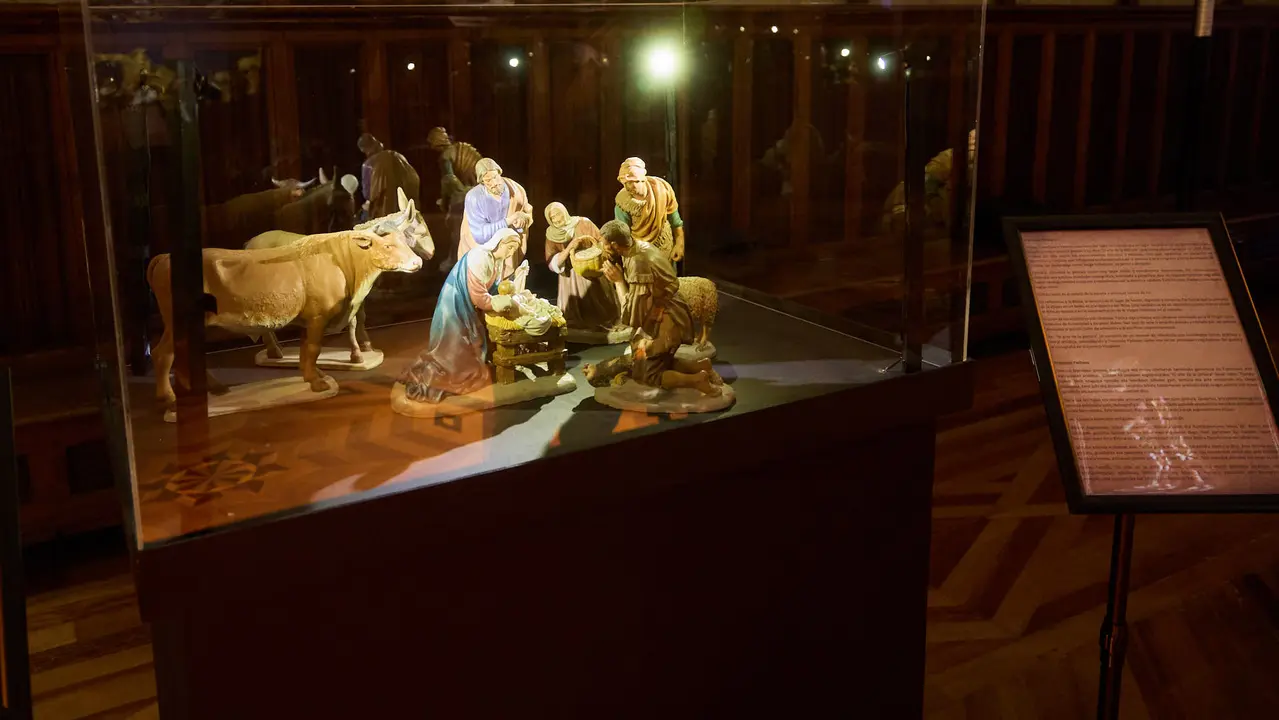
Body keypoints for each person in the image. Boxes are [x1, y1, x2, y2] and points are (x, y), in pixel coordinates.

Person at [595, 220, 720, 396]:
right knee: (648, 364)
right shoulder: (635, 247)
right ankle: (701, 366)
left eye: (604, 243)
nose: (602, 246)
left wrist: (618, 282)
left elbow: (633, 315)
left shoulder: (639, 265)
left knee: (649, 374)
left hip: (665, 319)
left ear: (615, 244)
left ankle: (697, 380)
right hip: (660, 312)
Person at [400, 229, 523, 403]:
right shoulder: (480, 257)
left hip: (468, 305)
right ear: (499, 243)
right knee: (453, 346)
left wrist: (510, 286)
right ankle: (447, 372)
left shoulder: (497, 260)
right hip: (455, 302)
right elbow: (478, 296)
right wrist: (500, 302)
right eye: (509, 247)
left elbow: (491, 288)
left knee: (471, 345)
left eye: (513, 249)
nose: (511, 253)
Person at [544, 202, 623, 333]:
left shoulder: (583, 223)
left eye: (558, 214)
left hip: (593, 267)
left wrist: (600, 253)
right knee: (575, 312)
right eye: (553, 217)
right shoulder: (551, 235)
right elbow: (552, 261)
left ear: (564, 211)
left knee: (600, 304)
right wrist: (570, 248)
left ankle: (603, 321)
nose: (557, 219)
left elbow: (601, 241)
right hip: (571, 275)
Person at [459, 158, 533, 281]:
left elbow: (527, 213)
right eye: (488, 180)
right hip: (483, 252)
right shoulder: (474, 198)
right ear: (481, 181)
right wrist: (508, 221)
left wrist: (522, 222)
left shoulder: (515, 190)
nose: (494, 183)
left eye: (495, 177)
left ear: (499, 173)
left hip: (508, 253)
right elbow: (480, 235)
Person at [427, 127, 483, 273]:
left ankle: (456, 260)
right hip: (478, 191)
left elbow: (449, 180)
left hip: (464, 196)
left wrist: (445, 201)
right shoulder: (459, 148)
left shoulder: (445, 156)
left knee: (457, 230)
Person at [614, 157, 685, 262]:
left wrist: (680, 243)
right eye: (624, 183)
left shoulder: (662, 190)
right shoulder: (623, 202)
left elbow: (675, 221)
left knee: (668, 276)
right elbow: (622, 234)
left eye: (631, 182)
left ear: (641, 179)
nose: (627, 187)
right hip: (638, 254)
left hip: (665, 248)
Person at [359, 133, 420, 220]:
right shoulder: (398, 156)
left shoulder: (368, 164)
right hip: (405, 206)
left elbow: (367, 193)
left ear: (365, 150)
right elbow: (414, 179)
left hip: (383, 209)